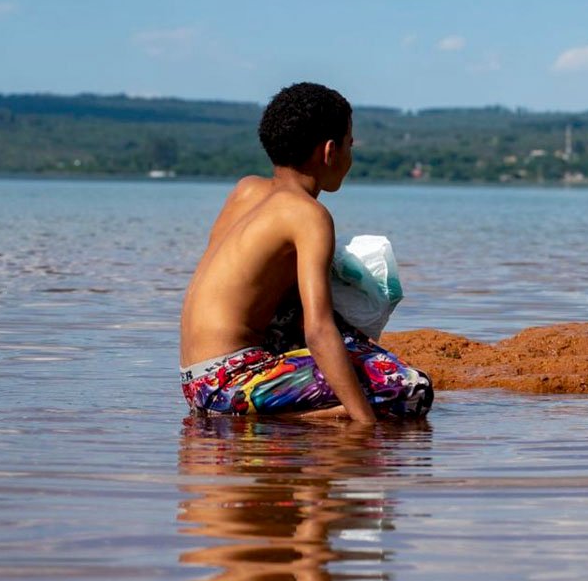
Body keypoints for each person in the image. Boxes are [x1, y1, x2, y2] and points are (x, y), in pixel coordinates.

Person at [179, 82, 432, 422]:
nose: (350, 154)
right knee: (410, 388)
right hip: (228, 385)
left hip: (195, 380)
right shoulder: (308, 215)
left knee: (350, 344)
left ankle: (268, 411)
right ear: (330, 151)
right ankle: (285, 418)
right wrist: (364, 424)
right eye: (349, 144)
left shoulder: (247, 190)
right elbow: (318, 328)